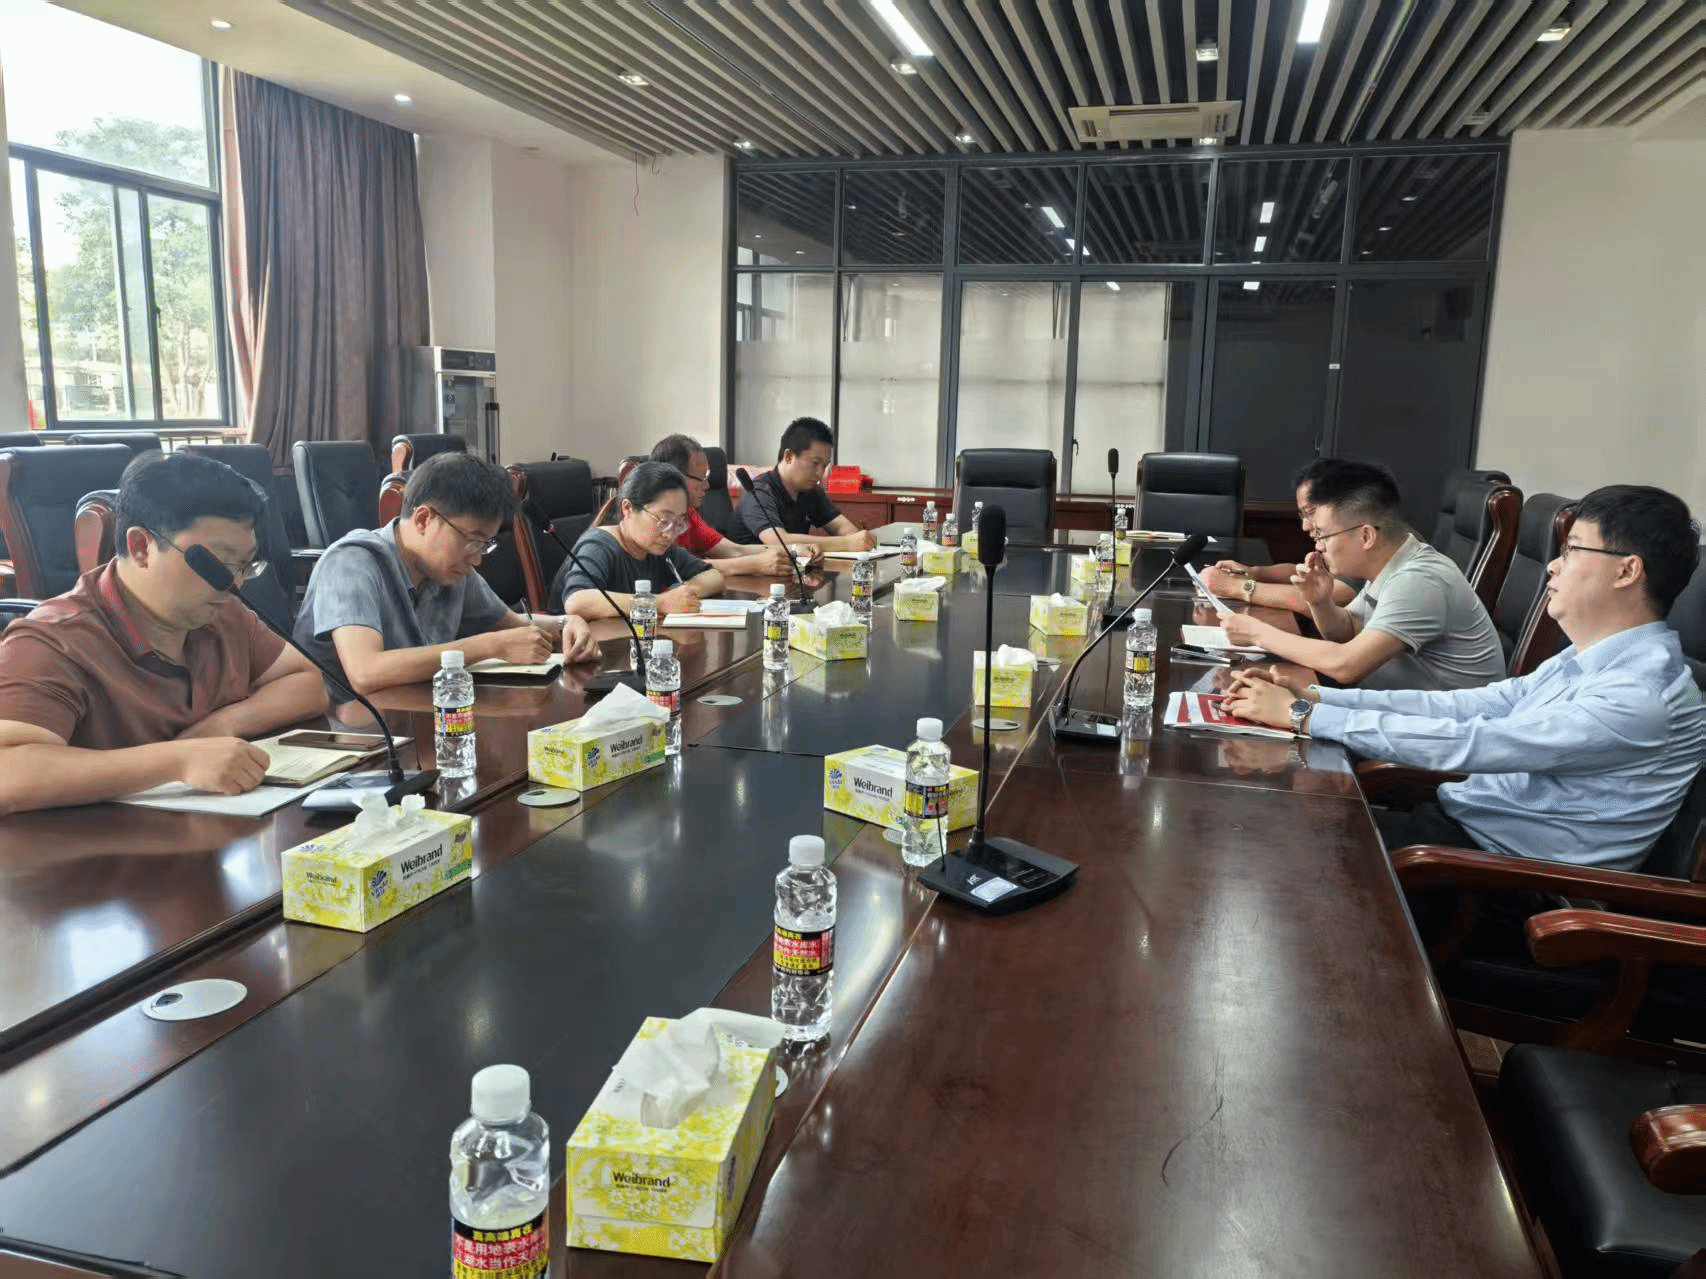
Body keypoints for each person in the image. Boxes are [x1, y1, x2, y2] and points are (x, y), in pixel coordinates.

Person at [1225, 485, 1706, 873]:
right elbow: (1469, 706)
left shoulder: (1639, 695)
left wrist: (1304, 715)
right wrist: (1317, 698)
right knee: (1269, 821)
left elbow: (1478, 742)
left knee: (1269, 846)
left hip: (1501, 880)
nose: (1554, 564)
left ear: (1627, 571)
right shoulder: (1596, 658)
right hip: (1465, 830)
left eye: (1574, 549)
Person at [0, 451, 328, 814]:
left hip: (205, 836)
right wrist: (177, 760)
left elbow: (307, 682)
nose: (233, 582)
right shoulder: (53, 641)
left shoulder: (221, 612)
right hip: (96, 846)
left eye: (245, 564)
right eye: (218, 563)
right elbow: (7, 773)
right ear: (141, 547)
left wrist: (223, 724)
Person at [295, 452, 600, 698]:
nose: (477, 559)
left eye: (485, 545)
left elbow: (515, 626)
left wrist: (567, 623)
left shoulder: (451, 570)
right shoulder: (352, 563)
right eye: (472, 541)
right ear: (423, 519)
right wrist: (490, 647)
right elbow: (366, 672)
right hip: (345, 733)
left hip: (420, 714)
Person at [1219, 460, 1504, 691]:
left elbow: (1345, 665)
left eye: (1322, 534)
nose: (1317, 545)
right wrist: (1320, 602)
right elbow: (1348, 630)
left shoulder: (1419, 580)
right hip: (1393, 708)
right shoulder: (1390, 564)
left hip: (1441, 733)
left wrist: (1257, 633)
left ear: (1366, 536)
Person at [554, 461, 724, 619]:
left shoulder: (659, 549)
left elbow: (714, 576)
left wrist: (685, 594)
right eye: (663, 520)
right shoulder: (599, 545)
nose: (670, 534)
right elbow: (576, 602)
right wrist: (659, 603)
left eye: (679, 523)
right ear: (627, 508)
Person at [1199, 457, 1358, 614]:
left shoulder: (1358, 552)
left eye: (1310, 512)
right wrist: (1252, 572)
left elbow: (1315, 600)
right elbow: (1304, 574)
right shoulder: (1338, 544)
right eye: (1303, 515)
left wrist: (1234, 586)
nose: (1305, 526)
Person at [648, 433, 814, 576]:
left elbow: (735, 550)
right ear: (674, 477)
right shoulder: (651, 519)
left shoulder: (689, 514)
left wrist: (794, 550)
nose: (707, 486)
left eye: (707, 477)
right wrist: (755, 564)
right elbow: (675, 568)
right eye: (701, 479)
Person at [733, 417, 877, 554]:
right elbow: (778, 541)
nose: (820, 474)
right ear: (789, 456)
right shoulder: (759, 492)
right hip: (751, 570)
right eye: (815, 463)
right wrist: (847, 543)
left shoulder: (810, 490)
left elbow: (840, 526)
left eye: (824, 466)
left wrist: (856, 538)